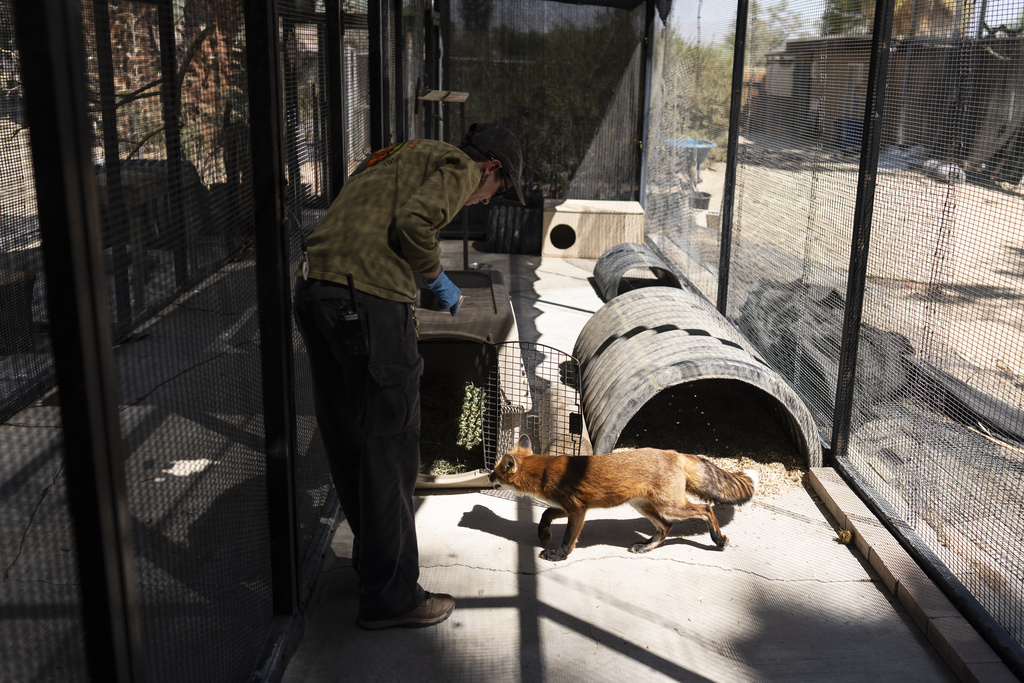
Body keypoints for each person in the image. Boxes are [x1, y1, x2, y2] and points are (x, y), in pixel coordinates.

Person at [293, 123, 525, 629]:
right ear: (491, 168)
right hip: (368, 301)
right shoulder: (462, 167)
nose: (484, 202)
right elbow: (414, 223)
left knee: (350, 438)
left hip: (317, 292)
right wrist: (435, 279)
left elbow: (369, 218)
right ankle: (391, 597)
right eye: (496, 191)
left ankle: (374, 567)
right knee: (393, 449)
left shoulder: (397, 153)